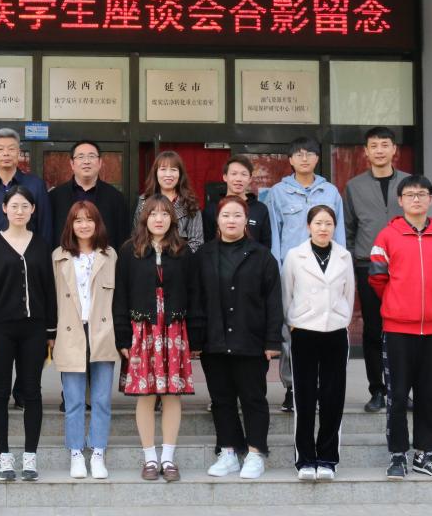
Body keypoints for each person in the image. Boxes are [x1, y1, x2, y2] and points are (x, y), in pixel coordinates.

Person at [369, 175, 432, 481]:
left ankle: (425, 454)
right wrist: (399, 303)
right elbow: (377, 278)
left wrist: (430, 302)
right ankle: (397, 455)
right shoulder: (387, 236)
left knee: (429, 394)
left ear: (430, 199)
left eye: (422, 194)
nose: (416, 199)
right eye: (410, 194)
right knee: (397, 394)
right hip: (398, 329)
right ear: (401, 200)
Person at [114, 194, 203, 483]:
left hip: (174, 330)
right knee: (146, 394)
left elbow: (194, 293)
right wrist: (123, 337)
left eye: (165, 214)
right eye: (153, 214)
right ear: (144, 218)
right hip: (143, 330)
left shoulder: (183, 251)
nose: (159, 219)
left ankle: (168, 457)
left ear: (172, 219)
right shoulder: (129, 251)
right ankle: (150, 458)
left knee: (172, 394)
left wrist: (195, 336)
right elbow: (120, 295)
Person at [0, 185, 56, 483]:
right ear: (4, 209)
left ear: (33, 210)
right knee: (0, 393)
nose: (19, 211)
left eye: (25, 206)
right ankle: (4, 457)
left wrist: (51, 330)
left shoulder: (42, 245)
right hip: (0, 329)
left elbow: (49, 290)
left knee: (32, 391)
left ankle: (30, 457)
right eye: (14, 206)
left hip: (34, 329)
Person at [199, 196, 282, 480]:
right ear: (217, 220)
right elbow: (197, 299)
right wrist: (197, 340)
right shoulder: (204, 255)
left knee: (253, 398)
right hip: (214, 340)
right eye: (226, 215)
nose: (231, 220)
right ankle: (229, 452)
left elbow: (274, 301)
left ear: (246, 220)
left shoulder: (262, 256)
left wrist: (273, 341)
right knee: (221, 399)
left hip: (251, 340)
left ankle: (256, 452)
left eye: (237, 215)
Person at [0, 128, 52, 412]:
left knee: (30, 334)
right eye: (0, 149)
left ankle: (23, 392)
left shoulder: (36, 186)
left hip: (29, 265)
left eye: (11, 149)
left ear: (20, 153)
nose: (6, 154)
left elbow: (45, 228)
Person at [266, 137, 345, 413]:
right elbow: (274, 234)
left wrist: (340, 270)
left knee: (325, 330)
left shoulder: (330, 192)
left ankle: (321, 386)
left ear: (317, 158)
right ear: (290, 160)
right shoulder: (278, 193)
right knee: (291, 333)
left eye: (309, 153)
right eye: (298, 154)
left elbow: (340, 233)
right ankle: (293, 387)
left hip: (325, 274)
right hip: (292, 274)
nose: (304, 158)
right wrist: (277, 272)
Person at [282, 205, 354, 481]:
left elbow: (349, 294)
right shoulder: (294, 256)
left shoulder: (344, 256)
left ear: (334, 227)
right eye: (318, 223)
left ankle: (327, 458)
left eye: (328, 223)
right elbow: (287, 294)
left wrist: (341, 318)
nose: (323, 228)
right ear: (308, 226)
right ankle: (305, 459)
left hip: (335, 332)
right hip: (304, 332)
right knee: (304, 396)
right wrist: (294, 322)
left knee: (333, 396)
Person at [344, 127, 410, 413]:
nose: (380, 150)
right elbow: (348, 229)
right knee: (373, 330)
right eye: (374, 145)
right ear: (366, 152)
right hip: (368, 265)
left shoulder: (409, 183)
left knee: (403, 330)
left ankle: (401, 390)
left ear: (394, 149)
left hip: (404, 266)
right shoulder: (354, 186)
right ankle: (377, 390)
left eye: (385, 145)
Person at [52, 201, 118, 480]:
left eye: (89, 219)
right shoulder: (59, 256)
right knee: (75, 400)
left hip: (102, 331)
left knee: (101, 399)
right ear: (70, 224)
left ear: (97, 223)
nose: (84, 225)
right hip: (70, 332)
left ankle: (98, 451)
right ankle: (76, 452)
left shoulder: (110, 255)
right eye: (78, 220)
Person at [49, 140, 129, 250]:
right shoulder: (55, 197)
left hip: (104, 258)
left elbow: (122, 237)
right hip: (65, 258)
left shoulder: (116, 197)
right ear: (72, 163)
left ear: (100, 162)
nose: (86, 161)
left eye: (91, 156)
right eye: (81, 157)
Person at [133, 150, 203, 253]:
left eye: (173, 170)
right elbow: (137, 236)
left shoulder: (190, 203)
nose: (168, 174)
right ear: (156, 173)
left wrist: (172, 257)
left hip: (180, 260)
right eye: (163, 169)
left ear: (180, 174)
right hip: (148, 258)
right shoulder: (144, 201)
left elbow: (197, 243)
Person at [203, 155, 271, 249]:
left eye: (244, 174)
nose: (238, 179)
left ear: (250, 179)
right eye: (234, 174)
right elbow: (207, 245)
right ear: (225, 177)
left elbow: (266, 246)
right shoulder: (212, 209)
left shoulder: (260, 209)